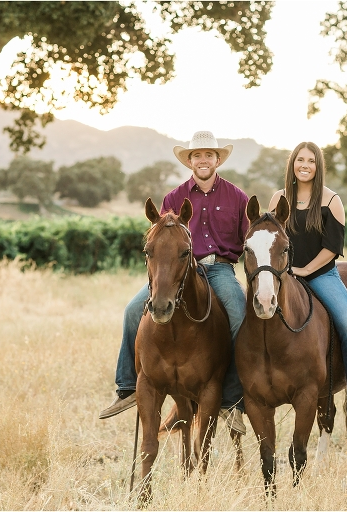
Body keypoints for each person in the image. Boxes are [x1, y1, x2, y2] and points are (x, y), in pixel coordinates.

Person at [99, 131, 249, 435]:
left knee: (239, 317)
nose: (203, 160)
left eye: (209, 155)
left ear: (217, 159)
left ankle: (232, 401)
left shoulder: (237, 197)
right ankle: (127, 386)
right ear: (189, 161)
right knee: (131, 311)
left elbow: (250, 240)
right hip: (178, 273)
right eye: (197, 155)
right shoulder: (173, 198)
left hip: (219, 270)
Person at [267, 141, 347, 427]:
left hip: (322, 276)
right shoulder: (278, 199)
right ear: (292, 164)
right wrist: (286, 273)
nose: (305, 165)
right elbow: (270, 241)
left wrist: (304, 270)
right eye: (300, 160)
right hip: (284, 278)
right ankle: (240, 397)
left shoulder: (331, 201)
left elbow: (332, 248)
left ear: (319, 167)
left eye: (311, 161)